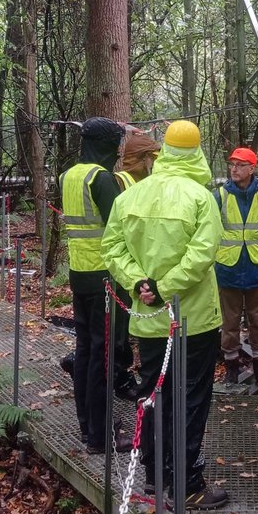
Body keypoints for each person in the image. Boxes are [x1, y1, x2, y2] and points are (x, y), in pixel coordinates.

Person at [102, 119, 228, 509]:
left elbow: (112, 248)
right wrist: (164, 287)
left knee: (153, 394)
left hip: (149, 319)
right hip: (194, 320)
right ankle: (187, 485)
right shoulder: (201, 198)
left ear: (164, 152)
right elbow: (203, 254)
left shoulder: (131, 197)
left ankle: (156, 475)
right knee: (190, 400)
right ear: (197, 152)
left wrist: (140, 283)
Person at [59, 127, 161, 398]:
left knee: (94, 341)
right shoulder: (109, 180)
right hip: (107, 269)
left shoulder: (70, 175)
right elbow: (122, 227)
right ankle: (107, 395)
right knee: (107, 339)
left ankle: (95, 396)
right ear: (144, 159)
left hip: (81, 268)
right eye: (153, 158)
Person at [59, 116, 131, 454]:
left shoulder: (69, 175)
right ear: (104, 146)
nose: (117, 153)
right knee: (102, 356)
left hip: (79, 274)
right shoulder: (100, 179)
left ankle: (88, 426)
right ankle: (101, 436)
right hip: (105, 276)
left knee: (86, 352)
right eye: (115, 145)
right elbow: (120, 225)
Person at [214, 146, 258, 387]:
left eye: (240, 165)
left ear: (252, 169)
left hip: (257, 268)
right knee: (229, 322)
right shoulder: (220, 195)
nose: (234, 169)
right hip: (228, 268)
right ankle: (232, 366)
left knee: (257, 321)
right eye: (232, 164)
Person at [110, 128, 161, 400]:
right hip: (121, 269)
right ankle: (120, 379)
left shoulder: (143, 184)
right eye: (153, 158)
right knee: (118, 330)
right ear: (144, 159)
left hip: (134, 269)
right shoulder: (121, 183)